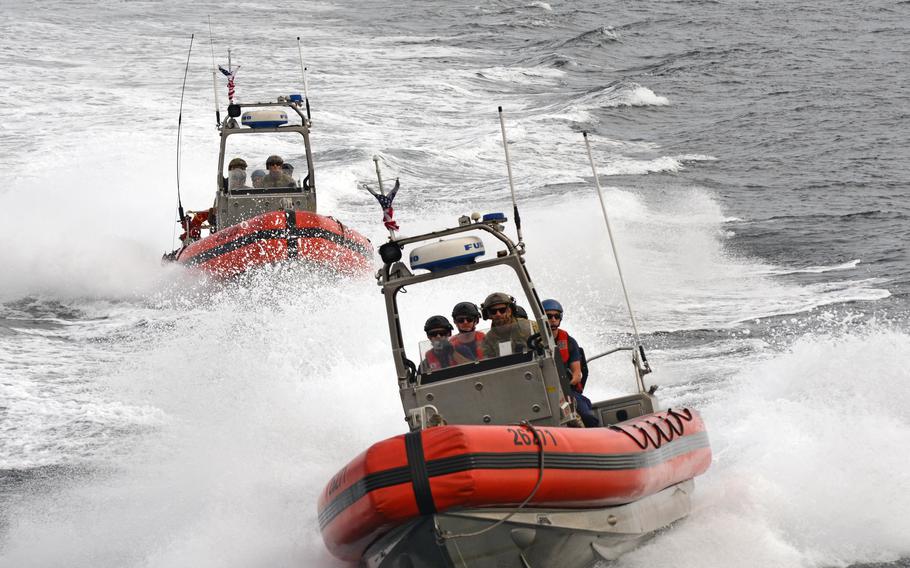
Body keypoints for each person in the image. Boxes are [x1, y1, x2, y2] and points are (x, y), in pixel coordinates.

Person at [543, 299, 599, 427]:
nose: (552, 319)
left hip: (566, 392)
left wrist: (565, 385)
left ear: (560, 318)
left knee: (587, 416)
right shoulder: (533, 342)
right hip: (542, 393)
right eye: (548, 316)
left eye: (556, 316)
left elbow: (577, 374)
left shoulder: (569, 342)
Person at [480, 292, 533, 359]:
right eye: (493, 311)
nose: (498, 314)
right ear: (488, 314)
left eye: (502, 310)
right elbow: (488, 365)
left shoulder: (529, 327)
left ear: (510, 310)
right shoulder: (487, 340)